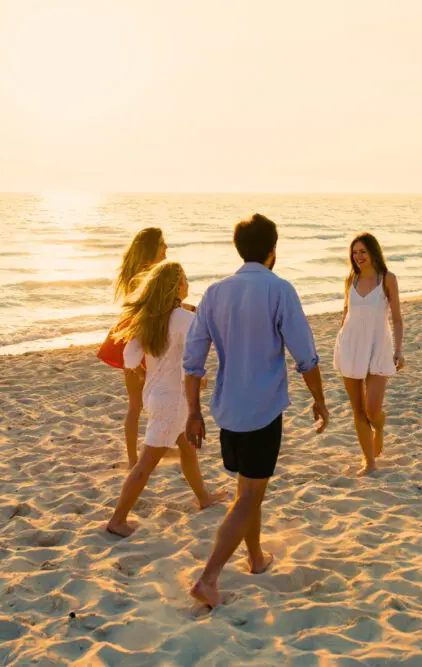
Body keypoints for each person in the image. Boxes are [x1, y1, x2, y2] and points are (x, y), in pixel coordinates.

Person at [183, 213, 330, 609]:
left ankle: (256, 557)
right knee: (249, 494)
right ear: (272, 249)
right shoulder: (279, 289)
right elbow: (305, 355)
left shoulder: (214, 293)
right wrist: (319, 398)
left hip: (228, 409)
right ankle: (209, 577)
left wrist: (193, 411)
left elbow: (193, 360)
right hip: (263, 410)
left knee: (248, 487)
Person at [105, 261, 226, 538]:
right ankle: (117, 520)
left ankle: (204, 497)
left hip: (155, 394)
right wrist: (197, 376)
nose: (187, 284)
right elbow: (196, 352)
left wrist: (153, 367)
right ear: (175, 286)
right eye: (184, 279)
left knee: (187, 448)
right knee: (147, 463)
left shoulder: (146, 319)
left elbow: (131, 358)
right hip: (173, 398)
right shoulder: (185, 319)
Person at [332, 233, 405, 475]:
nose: (358, 256)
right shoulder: (350, 279)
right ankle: (369, 462)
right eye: (355, 252)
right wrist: (341, 341)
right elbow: (346, 313)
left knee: (373, 409)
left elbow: (396, 317)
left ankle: (380, 429)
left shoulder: (387, 279)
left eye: (363, 251)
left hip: (378, 348)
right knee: (358, 410)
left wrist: (399, 351)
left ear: (373, 251)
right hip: (351, 346)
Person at [97, 227, 167, 468]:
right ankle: (133, 457)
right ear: (152, 250)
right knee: (139, 402)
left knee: (142, 401)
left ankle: (142, 454)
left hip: (141, 337)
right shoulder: (147, 276)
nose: (166, 248)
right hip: (138, 339)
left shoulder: (141, 274)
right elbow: (153, 310)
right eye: (162, 244)